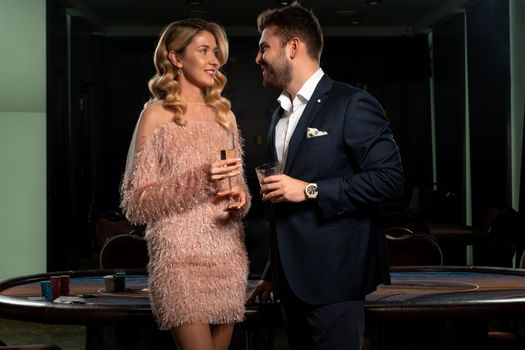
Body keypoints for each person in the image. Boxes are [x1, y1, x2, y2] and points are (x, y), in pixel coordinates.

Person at [247, 2, 405, 350]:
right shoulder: (279, 115)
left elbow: (390, 180)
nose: (257, 58)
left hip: (336, 278)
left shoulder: (352, 103)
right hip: (290, 283)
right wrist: (273, 273)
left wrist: (309, 190)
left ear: (293, 47)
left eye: (264, 47)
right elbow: (285, 208)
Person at [120, 18, 251, 350]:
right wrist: (202, 177)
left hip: (227, 256)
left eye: (216, 52)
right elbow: (136, 203)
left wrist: (240, 198)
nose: (214, 60)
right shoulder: (156, 115)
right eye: (204, 51)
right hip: (179, 260)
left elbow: (238, 187)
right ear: (176, 58)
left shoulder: (226, 115)